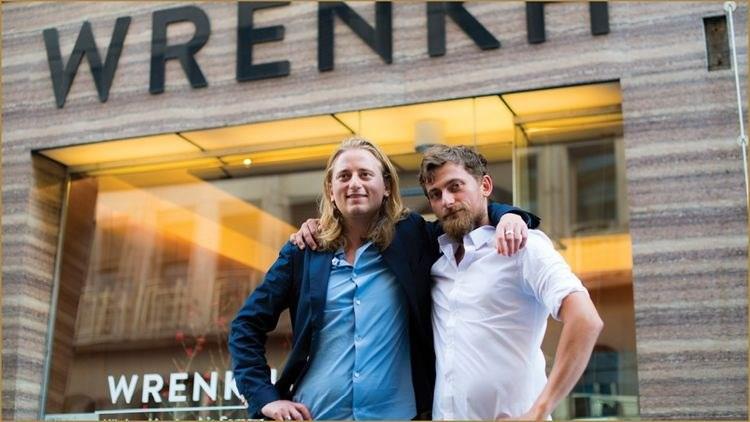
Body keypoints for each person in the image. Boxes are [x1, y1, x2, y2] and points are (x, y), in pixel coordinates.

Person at [229, 136, 539, 421]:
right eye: (344, 176)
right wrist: (264, 398)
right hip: (315, 414)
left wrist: (509, 215)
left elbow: (463, 214)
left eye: (365, 174)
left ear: (387, 186)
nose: (354, 183)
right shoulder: (304, 251)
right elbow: (245, 326)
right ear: (331, 190)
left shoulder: (413, 237)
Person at [417, 145, 604, 421]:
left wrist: (539, 412)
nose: (446, 201)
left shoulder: (523, 246)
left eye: (455, 187)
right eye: (435, 194)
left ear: (485, 185)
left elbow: (586, 320)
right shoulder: (438, 264)